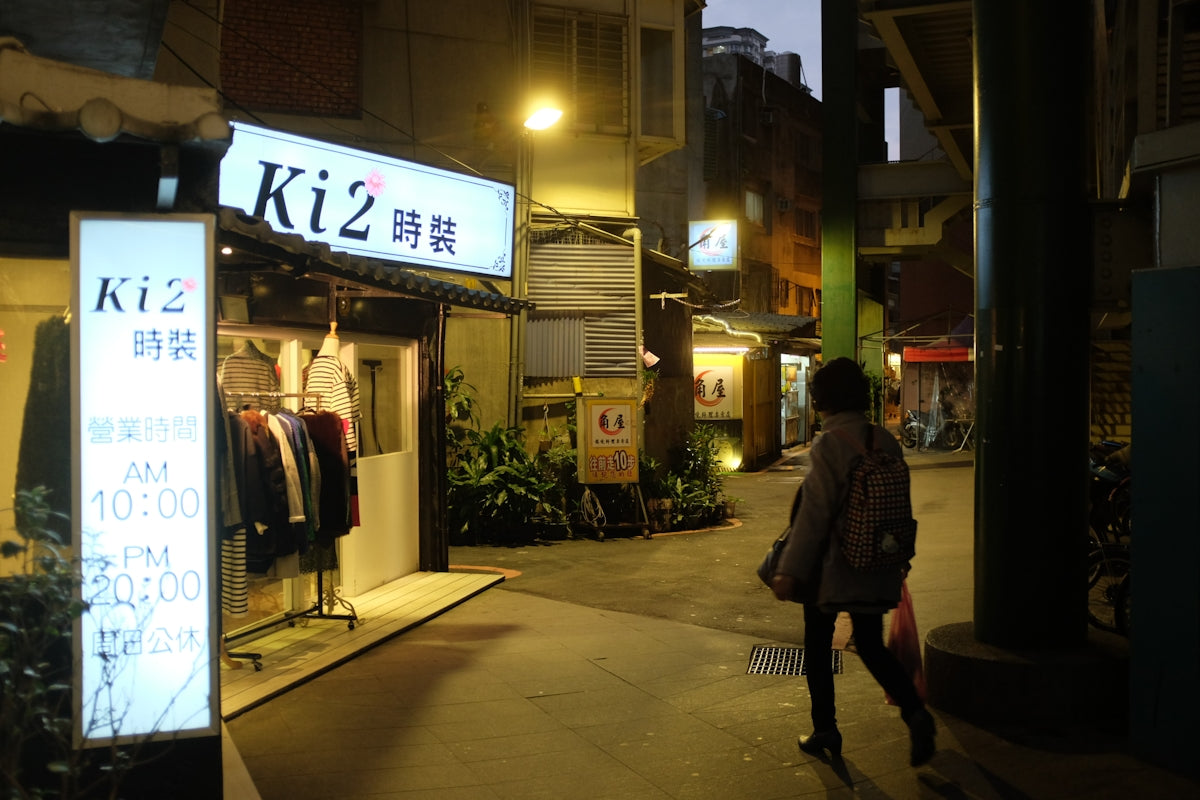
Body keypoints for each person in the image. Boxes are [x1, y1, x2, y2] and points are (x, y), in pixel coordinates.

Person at [770, 357, 936, 766]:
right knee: (871, 645)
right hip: (877, 563)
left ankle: (825, 729)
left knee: (816, 645)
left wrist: (788, 571)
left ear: (823, 399)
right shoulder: (886, 440)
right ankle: (915, 712)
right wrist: (897, 558)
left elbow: (814, 514)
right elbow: (898, 509)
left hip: (833, 567)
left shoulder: (830, 444)